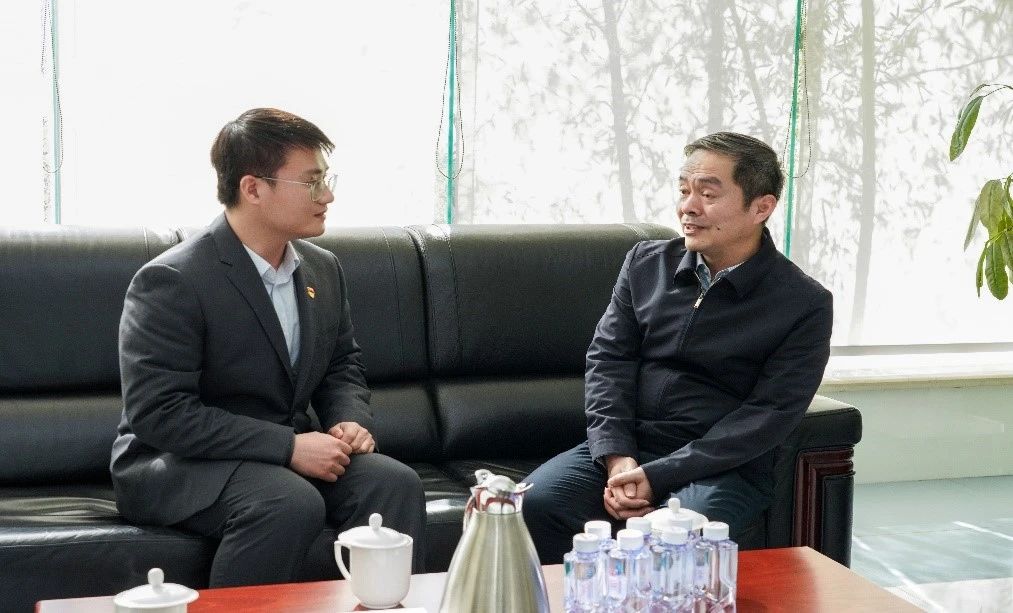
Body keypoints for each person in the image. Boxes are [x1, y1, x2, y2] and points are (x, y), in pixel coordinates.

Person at [110, 108, 426, 586]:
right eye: (312, 182)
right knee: (288, 501)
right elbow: (161, 413)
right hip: (176, 463)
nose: (328, 195)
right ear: (253, 188)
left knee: (393, 483)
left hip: (279, 455)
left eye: (326, 180)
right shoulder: (172, 280)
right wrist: (288, 447)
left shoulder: (323, 269)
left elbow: (341, 365)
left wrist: (349, 420)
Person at [522, 132, 833, 562]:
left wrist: (659, 475)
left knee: (675, 538)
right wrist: (618, 458)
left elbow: (769, 413)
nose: (689, 206)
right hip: (632, 447)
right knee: (536, 503)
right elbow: (608, 360)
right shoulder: (645, 264)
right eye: (684, 190)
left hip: (721, 467)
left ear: (762, 207)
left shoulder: (803, 303)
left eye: (708, 193)